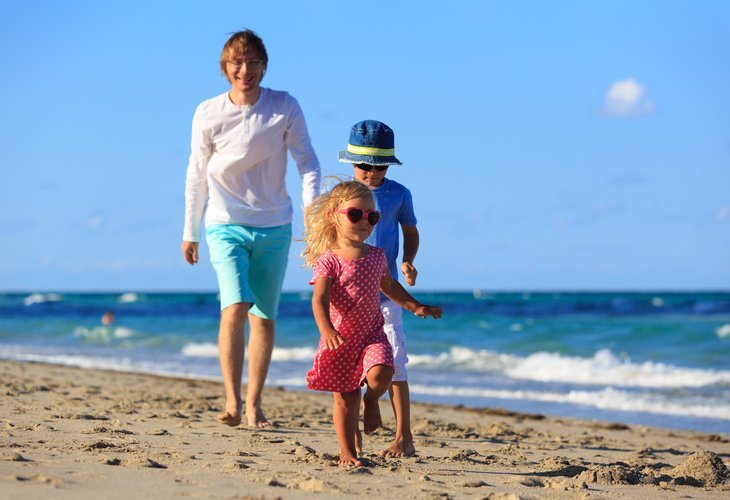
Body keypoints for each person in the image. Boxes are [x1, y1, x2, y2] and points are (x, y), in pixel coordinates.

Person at [181, 30, 321, 428]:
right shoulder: (208, 112)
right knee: (235, 304)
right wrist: (190, 230)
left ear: (264, 65)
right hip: (224, 222)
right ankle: (231, 401)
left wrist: (312, 217)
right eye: (237, 63)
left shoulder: (284, 106)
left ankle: (255, 402)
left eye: (253, 62)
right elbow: (196, 173)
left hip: (275, 223)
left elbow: (308, 162)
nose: (245, 70)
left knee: (263, 316)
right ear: (225, 68)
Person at [302, 180, 441, 466]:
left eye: (372, 216)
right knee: (346, 399)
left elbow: (390, 287)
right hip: (340, 339)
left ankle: (372, 400)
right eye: (355, 215)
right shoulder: (329, 260)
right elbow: (319, 299)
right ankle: (347, 452)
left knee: (382, 375)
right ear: (334, 217)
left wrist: (415, 306)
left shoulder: (377, 256)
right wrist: (326, 330)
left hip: (372, 334)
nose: (365, 222)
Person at [338, 120, 419, 457]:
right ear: (351, 163)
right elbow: (327, 232)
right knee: (351, 364)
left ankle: (404, 436)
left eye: (378, 166)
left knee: (395, 363)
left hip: (387, 293)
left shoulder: (399, 194)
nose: (370, 173)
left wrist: (407, 261)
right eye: (363, 166)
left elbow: (410, 232)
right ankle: (353, 435)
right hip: (348, 295)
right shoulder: (342, 195)